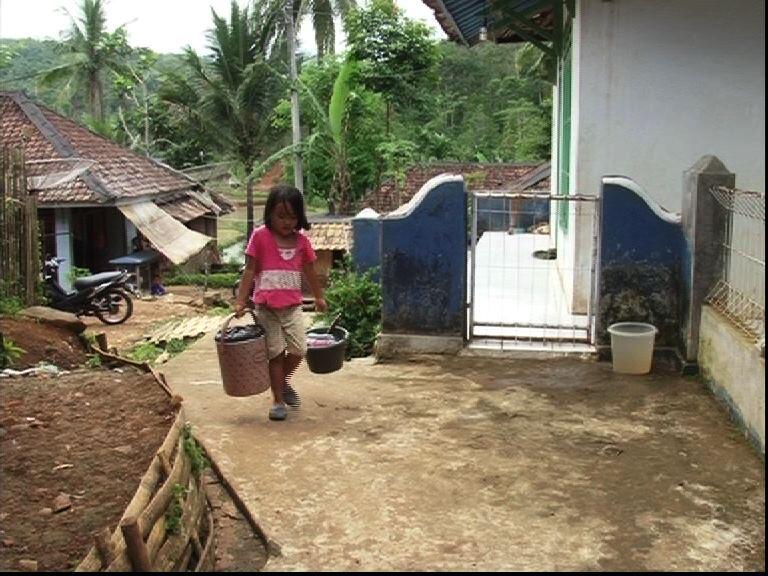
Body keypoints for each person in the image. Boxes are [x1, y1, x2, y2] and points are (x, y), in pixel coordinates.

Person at [234, 184, 327, 421]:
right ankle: (278, 400)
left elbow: (310, 271)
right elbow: (249, 271)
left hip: (292, 307)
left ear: (300, 217)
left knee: (299, 350)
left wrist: (318, 296)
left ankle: (281, 382)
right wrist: (241, 301)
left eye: (292, 216)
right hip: (265, 308)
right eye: (281, 216)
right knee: (275, 354)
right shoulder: (260, 237)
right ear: (270, 214)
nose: (287, 222)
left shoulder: (302, 242)